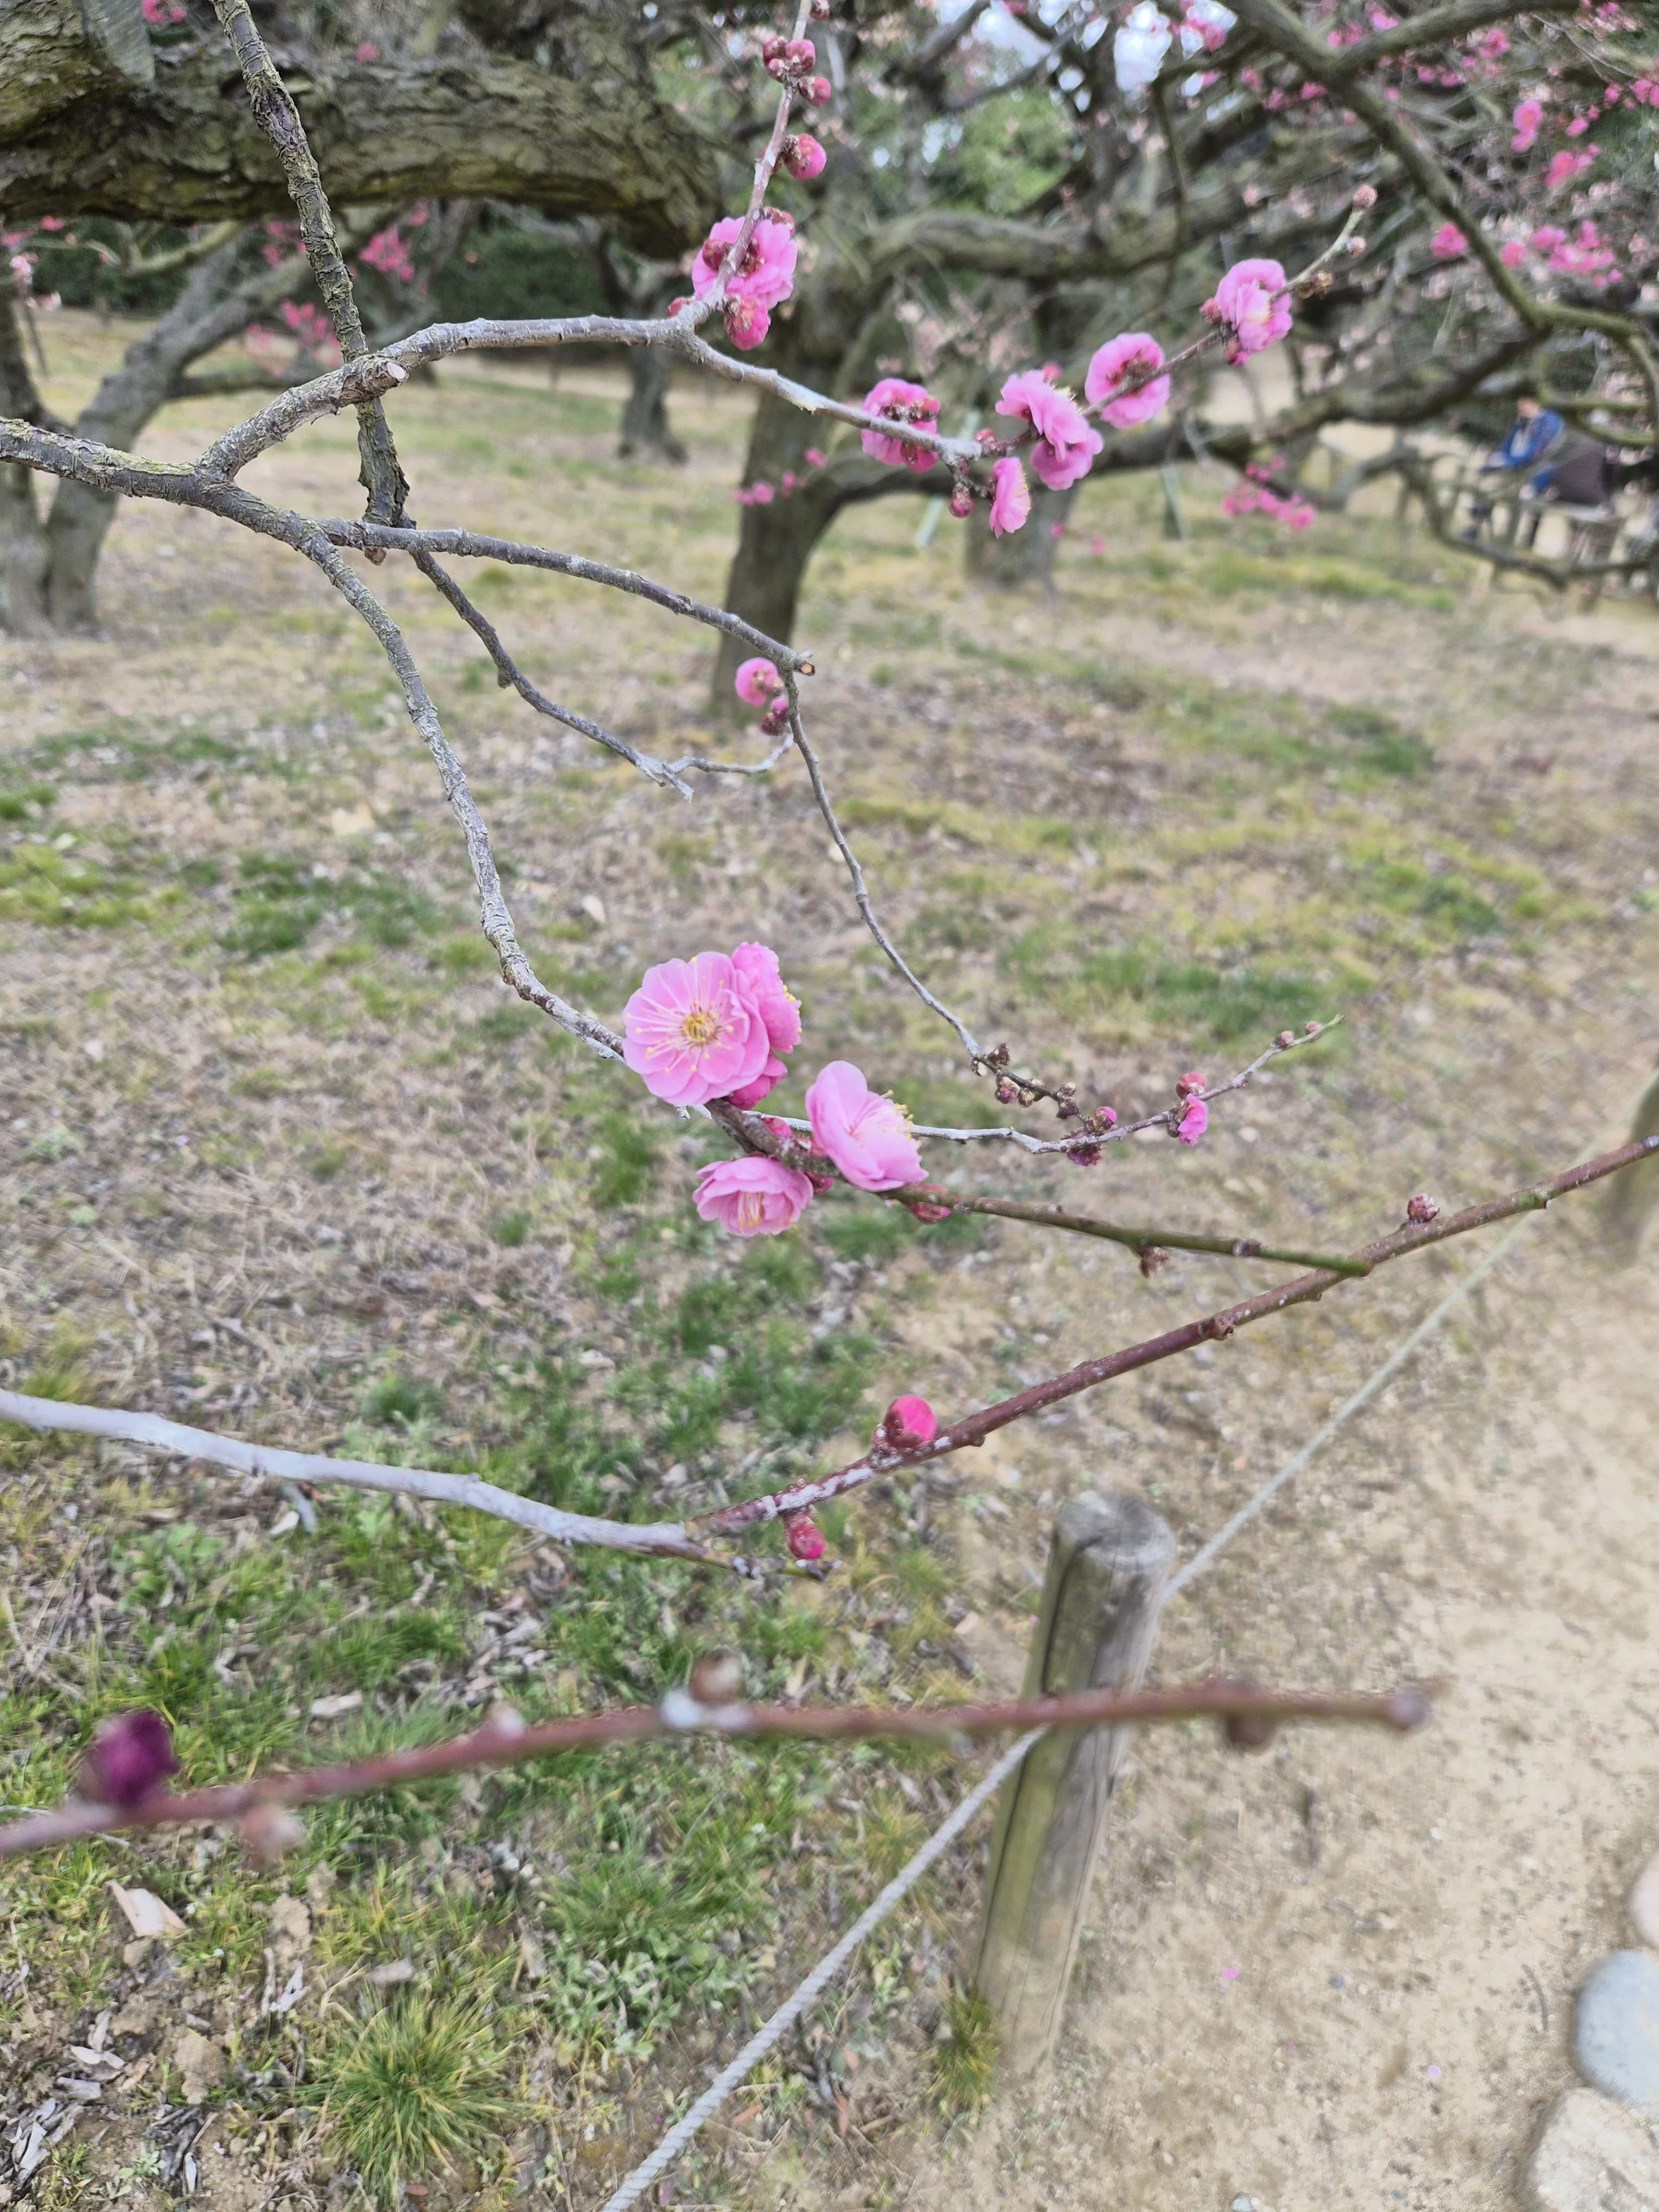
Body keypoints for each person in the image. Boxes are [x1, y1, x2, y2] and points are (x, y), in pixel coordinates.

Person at [1464, 395, 1563, 538]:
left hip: (1535, 475)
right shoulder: (1522, 421)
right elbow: (1507, 444)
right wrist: (1497, 460)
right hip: (1514, 470)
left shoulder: (1549, 422)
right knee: (1487, 482)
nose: (1519, 405)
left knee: (1499, 489)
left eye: (1523, 401)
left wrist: (1508, 461)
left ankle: (1492, 532)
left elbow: (1536, 452)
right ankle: (1476, 525)